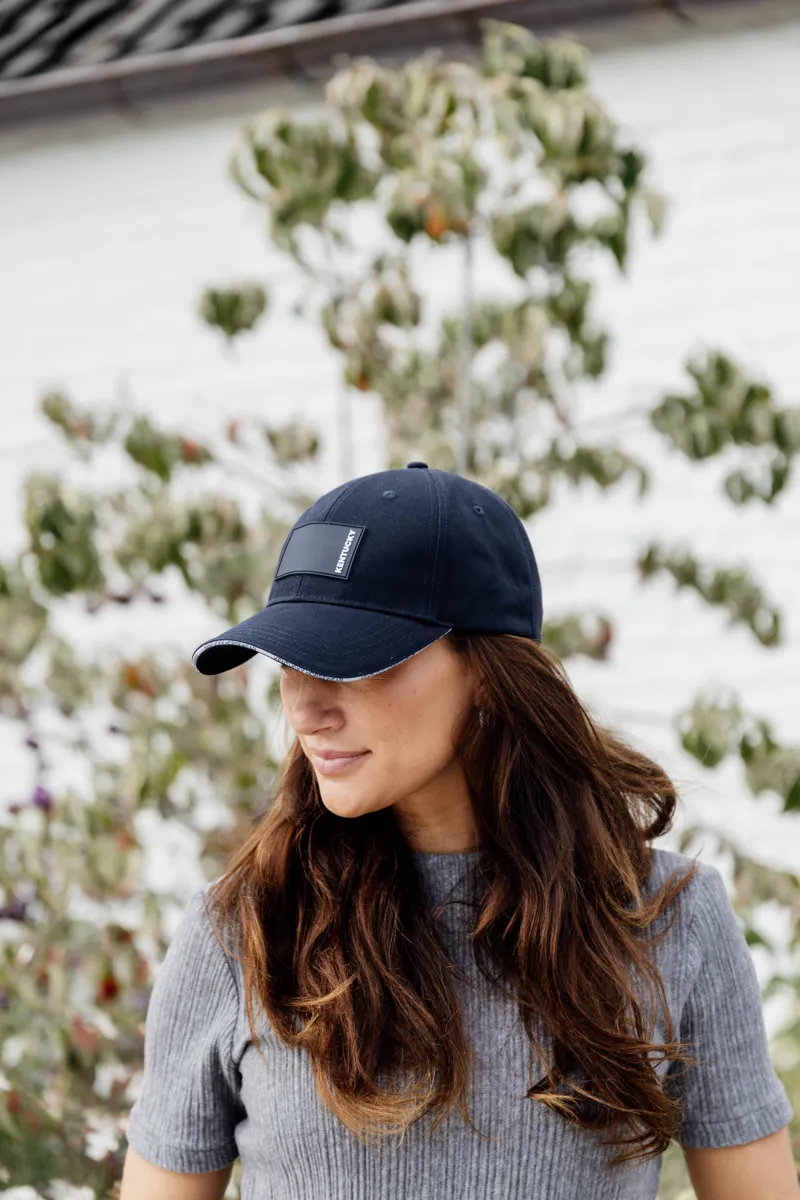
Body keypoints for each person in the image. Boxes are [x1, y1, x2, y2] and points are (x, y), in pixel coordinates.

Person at [121, 462, 797, 1200]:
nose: (307, 708)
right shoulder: (240, 933)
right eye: (291, 661)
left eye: (350, 661)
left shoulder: (668, 918)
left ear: (486, 669)